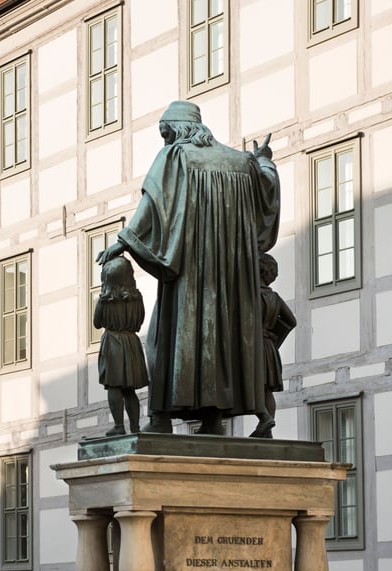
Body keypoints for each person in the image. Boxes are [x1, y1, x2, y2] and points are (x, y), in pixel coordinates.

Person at [98, 100, 280, 435]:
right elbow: (267, 191)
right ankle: (212, 420)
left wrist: (123, 240)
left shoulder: (176, 156)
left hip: (191, 275)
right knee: (221, 344)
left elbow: (152, 203)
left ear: (178, 129)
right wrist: (265, 160)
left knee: (163, 340)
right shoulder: (242, 163)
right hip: (231, 281)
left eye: (166, 133)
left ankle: (160, 419)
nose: (165, 141)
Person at [94, 255, 148, 435]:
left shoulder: (105, 300)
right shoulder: (136, 298)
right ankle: (135, 427)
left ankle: (119, 426)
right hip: (131, 343)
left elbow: (96, 323)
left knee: (114, 387)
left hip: (113, 344)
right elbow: (140, 320)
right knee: (129, 390)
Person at [251, 253, 296, 438]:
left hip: (252, 346)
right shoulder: (275, 297)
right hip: (269, 346)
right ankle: (267, 431)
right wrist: (275, 337)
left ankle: (264, 419)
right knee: (267, 390)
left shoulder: (250, 294)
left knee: (250, 386)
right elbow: (291, 321)